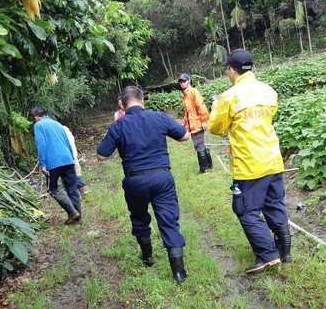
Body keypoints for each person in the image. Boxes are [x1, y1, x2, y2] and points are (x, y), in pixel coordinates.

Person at [208, 49, 292, 273]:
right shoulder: (268, 91)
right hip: (273, 159)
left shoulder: (229, 96)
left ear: (231, 70)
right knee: (274, 204)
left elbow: (215, 128)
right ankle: (285, 252)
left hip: (249, 164)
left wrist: (216, 109)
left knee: (245, 209)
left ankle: (267, 254)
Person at [97, 86, 191, 284]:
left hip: (135, 180)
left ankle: (148, 257)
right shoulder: (159, 117)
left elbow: (101, 155)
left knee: (139, 218)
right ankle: (179, 272)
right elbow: (184, 136)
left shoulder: (118, 126)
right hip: (161, 177)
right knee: (168, 220)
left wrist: (117, 126)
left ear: (121, 105)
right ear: (142, 100)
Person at [32, 107, 82, 224]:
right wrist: (71, 158)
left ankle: (72, 213)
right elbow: (67, 142)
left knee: (53, 189)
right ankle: (78, 220)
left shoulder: (39, 125)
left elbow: (41, 144)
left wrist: (42, 164)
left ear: (36, 117)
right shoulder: (58, 124)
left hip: (53, 162)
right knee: (72, 189)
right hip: (68, 160)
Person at [177, 73, 213, 174]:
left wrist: (204, 121)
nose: (182, 83)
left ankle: (204, 169)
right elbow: (188, 112)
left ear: (189, 81)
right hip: (192, 124)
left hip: (197, 124)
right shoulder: (185, 95)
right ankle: (209, 164)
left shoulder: (193, 91)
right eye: (181, 82)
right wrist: (184, 122)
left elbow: (200, 106)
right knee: (201, 144)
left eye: (184, 81)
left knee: (198, 145)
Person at [63, 125, 90, 195]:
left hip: (67, 156)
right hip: (73, 154)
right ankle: (82, 192)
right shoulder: (65, 128)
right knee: (76, 175)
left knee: (69, 176)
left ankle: (83, 189)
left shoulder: (56, 130)